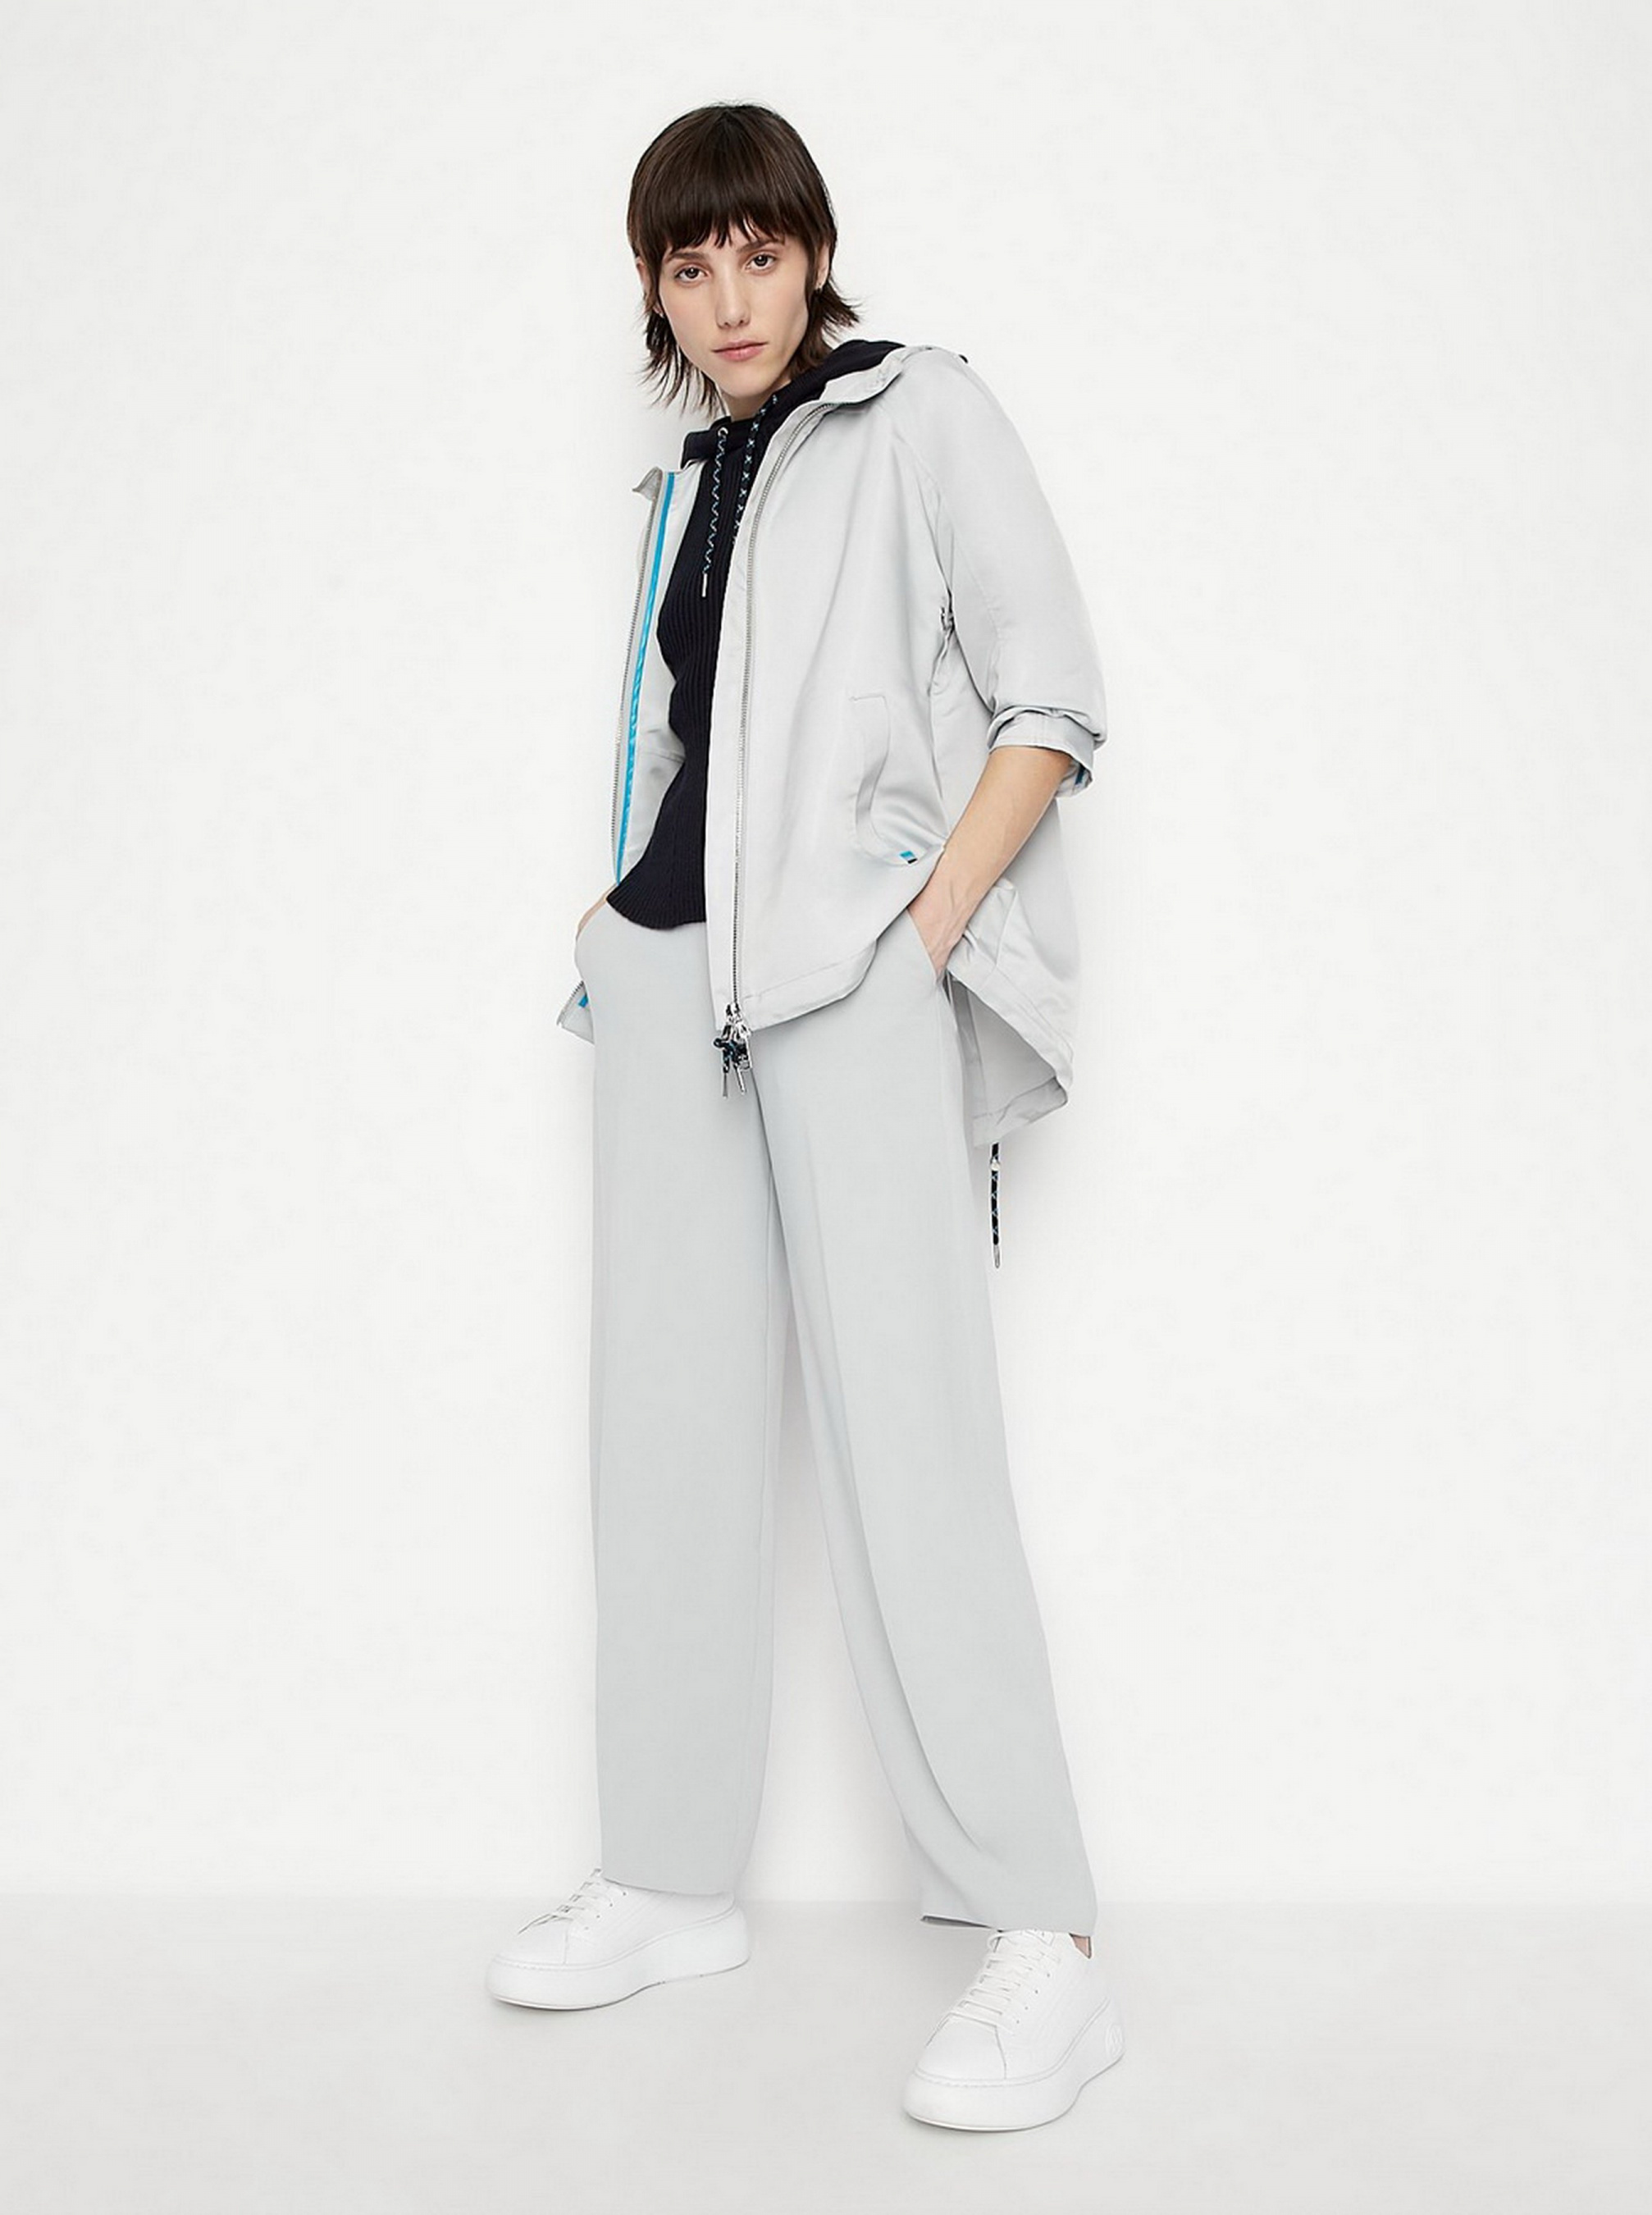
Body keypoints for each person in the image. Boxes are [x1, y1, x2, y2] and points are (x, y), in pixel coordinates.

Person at [486, 102, 1125, 2133]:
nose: (726, 297)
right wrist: (612, 928)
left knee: (910, 1440)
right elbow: (681, 746)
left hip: (849, 979)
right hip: (668, 985)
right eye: (687, 267)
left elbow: (1048, 698)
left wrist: (919, 934)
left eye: (755, 253)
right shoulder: (687, 479)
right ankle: (669, 1877)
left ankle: (1041, 1937)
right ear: (656, 290)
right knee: (661, 1444)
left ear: (812, 251)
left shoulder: (918, 413)